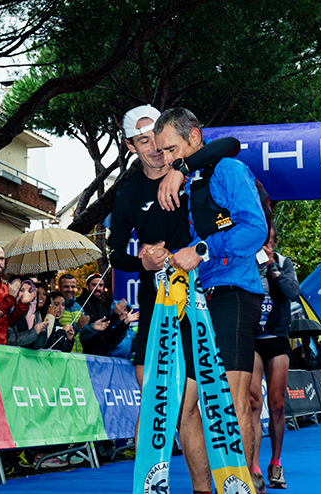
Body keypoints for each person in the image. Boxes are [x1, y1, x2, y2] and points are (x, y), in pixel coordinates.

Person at [110, 104, 240, 494]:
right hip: (157, 307)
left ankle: (213, 485)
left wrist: (181, 171)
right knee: (161, 410)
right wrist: (143, 262)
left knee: (187, 409)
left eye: (159, 140)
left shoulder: (191, 166)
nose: (154, 149)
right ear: (132, 145)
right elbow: (116, 255)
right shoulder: (129, 192)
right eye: (144, 140)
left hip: (201, 304)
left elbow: (231, 143)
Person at [156, 108, 267, 488]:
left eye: (171, 149)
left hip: (235, 294)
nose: (168, 159)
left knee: (231, 406)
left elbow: (255, 229)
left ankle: (242, 484)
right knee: (184, 408)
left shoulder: (228, 170)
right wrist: (167, 255)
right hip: (198, 301)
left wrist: (200, 250)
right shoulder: (187, 182)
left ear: (195, 136)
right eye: (162, 153)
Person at [248, 224, 299, 490]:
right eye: (261, 242)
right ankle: (253, 466)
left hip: (277, 338)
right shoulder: (245, 260)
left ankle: (276, 462)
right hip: (252, 338)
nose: (265, 247)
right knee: (254, 402)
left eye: (269, 242)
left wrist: (272, 269)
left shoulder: (282, 263)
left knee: (277, 404)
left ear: (275, 243)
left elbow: (293, 292)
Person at [76, 273, 136, 356]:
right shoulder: (82, 303)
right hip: (87, 355)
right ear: (87, 286)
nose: (98, 288)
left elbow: (108, 335)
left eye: (100, 285)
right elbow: (99, 327)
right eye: (94, 285)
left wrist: (125, 322)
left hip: (100, 357)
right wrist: (115, 315)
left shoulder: (101, 307)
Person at [6, 277, 49, 349]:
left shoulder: (33, 312)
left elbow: (38, 345)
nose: (25, 294)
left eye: (29, 291)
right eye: (21, 290)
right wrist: (34, 332)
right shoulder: (8, 311)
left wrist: (42, 331)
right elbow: (10, 341)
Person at [56, 273, 91, 352]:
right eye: (66, 286)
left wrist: (93, 328)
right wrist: (77, 326)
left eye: (73, 287)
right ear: (59, 288)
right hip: (60, 355)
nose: (70, 290)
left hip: (77, 356)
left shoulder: (78, 306)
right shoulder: (53, 306)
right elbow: (55, 336)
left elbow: (83, 334)